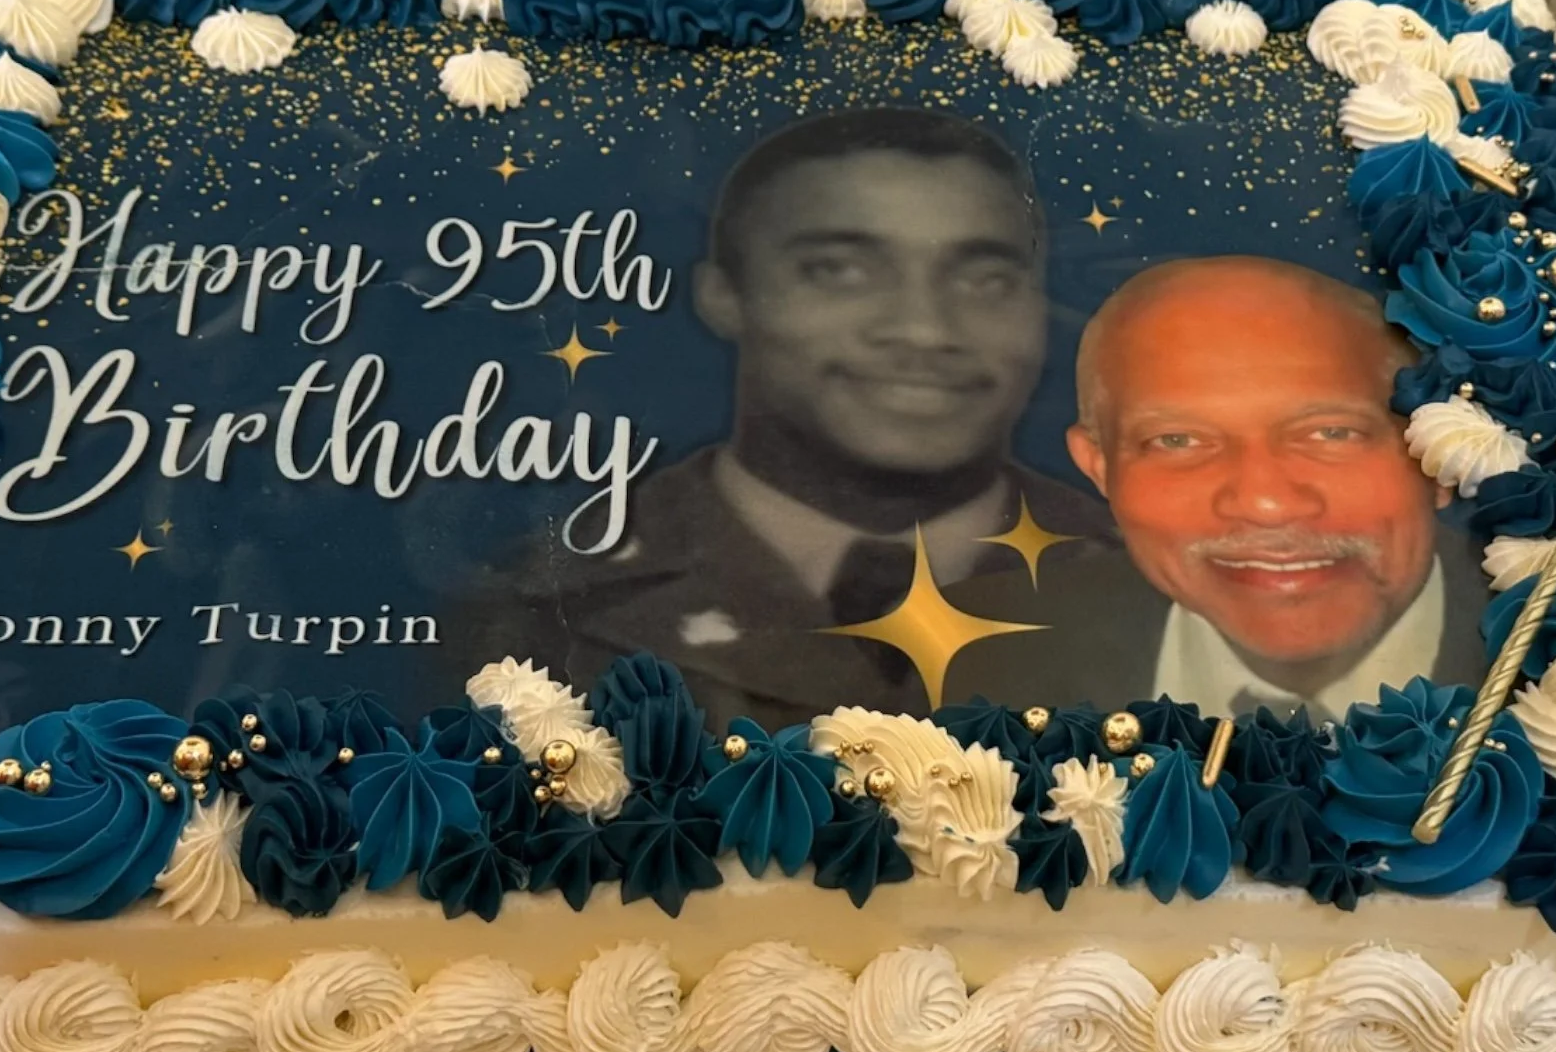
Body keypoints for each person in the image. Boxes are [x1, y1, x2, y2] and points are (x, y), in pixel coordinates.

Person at [458, 107, 1133, 724]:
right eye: (839, 270)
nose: (926, 330)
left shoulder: (1164, 585)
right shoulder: (531, 610)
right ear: (725, 296)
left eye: (987, 280)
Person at [1064, 254, 1483, 720]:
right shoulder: (978, 655)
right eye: (1178, 441)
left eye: (1332, 433)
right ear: (1099, 467)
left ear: (1440, 452)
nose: (1267, 504)